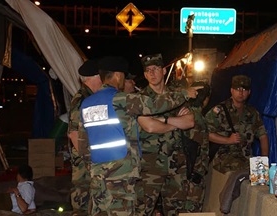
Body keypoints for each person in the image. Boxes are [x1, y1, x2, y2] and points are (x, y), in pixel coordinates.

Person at [80, 56, 201, 215]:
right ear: (118, 75)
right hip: (121, 175)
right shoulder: (121, 99)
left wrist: (94, 169)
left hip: (98, 176)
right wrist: (185, 93)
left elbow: (83, 146)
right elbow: (155, 105)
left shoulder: (86, 104)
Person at [136, 53, 196, 216]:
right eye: (148, 70)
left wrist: (163, 119)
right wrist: (176, 122)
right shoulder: (141, 98)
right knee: (144, 210)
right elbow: (149, 127)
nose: (152, 73)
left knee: (176, 210)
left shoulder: (176, 95)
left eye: (155, 69)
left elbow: (190, 121)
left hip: (176, 163)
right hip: (150, 165)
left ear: (163, 71)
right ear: (144, 74)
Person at [205, 75, 269, 173]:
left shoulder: (252, 113)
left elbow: (263, 136)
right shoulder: (219, 110)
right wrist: (228, 140)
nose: (241, 92)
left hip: (246, 161)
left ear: (249, 93)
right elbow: (206, 133)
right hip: (223, 163)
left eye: (244, 89)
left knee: (260, 183)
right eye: (237, 89)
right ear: (231, 90)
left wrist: (264, 161)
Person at [67, 59, 102, 215]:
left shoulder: (89, 97)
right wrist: (89, 163)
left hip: (88, 159)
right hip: (83, 163)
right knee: (82, 202)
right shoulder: (82, 100)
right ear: (94, 77)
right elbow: (74, 134)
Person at [180, 81, 211, 212]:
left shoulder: (183, 113)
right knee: (191, 210)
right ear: (206, 98)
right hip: (194, 176)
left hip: (184, 175)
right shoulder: (197, 118)